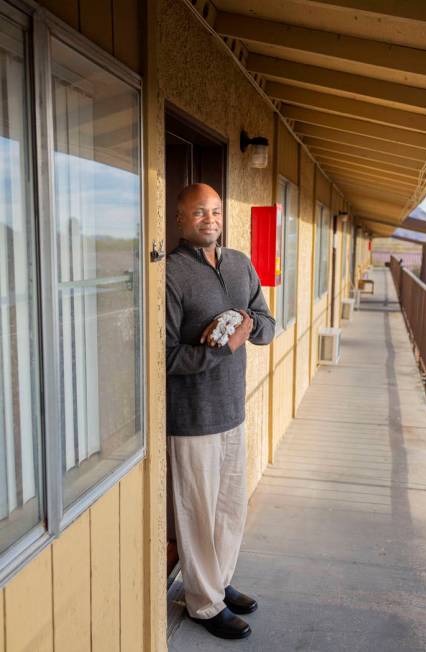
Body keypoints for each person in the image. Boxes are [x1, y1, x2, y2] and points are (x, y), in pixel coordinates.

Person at [166, 183, 275, 640]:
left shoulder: (240, 264)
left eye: (215, 211)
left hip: (233, 408)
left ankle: (220, 581)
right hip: (191, 417)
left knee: (230, 509)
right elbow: (166, 357)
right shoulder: (171, 274)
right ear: (180, 219)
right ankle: (203, 603)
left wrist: (247, 326)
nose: (209, 219)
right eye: (198, 213)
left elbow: (266, 323)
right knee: (198, 515)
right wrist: (221, 348)